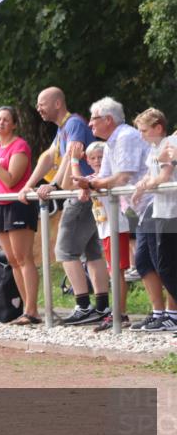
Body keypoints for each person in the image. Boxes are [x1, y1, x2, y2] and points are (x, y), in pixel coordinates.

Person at [18, 87, 109, 326]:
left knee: (65, 250)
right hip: (85, 195)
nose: (38, 108)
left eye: (42, 103)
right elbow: (49, 157)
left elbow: (71, 157)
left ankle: (83, 306)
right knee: (92, 251)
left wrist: (55, 185)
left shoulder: (74, 124)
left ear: (57, 103)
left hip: (80, 194)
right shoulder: (62, 129)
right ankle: (102, 307)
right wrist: (29, 185)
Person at [66, 97, 149, 331]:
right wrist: (87, 183)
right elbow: (101, 178)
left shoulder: (125, 137)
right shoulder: (114, 141)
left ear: (108, 119)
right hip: (129, 212)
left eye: (94, 119)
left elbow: (120, 177)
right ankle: (123, 313)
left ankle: (125, 314)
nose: (89, 124)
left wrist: (90, 184)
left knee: (142, 265)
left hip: (135, 212)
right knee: (139, 265)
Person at [0, 106, 41, 325]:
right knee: (13, 261)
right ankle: (26, 309)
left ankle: (32, 310)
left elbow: (11, 180)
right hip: (0, 205)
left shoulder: (19, 146)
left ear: (14, 124)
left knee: (24, 258)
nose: (1, 123)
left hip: (18, 204)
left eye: (6, 120)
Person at [62, 141, 133, 329]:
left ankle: (120, 314)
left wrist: (75, 162)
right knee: (113, 271)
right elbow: (70, 184)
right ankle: (117, 313)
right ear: (88, 160)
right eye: (92, 158)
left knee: (117, 272)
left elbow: (82, 182)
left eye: (101, 157)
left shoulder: (107, 176)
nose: (97, 161)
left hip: (116, 227)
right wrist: (78, 175)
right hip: (105, 229)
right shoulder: (93, 177)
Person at [130, 108, 177, 331]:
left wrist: (148, 184)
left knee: (167, 266)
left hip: (172, 212)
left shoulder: (169, 145)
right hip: (161, 211)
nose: (141, 135)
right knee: (161, 264)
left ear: (158, 128)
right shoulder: (154, 148)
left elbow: (164, 176)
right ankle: (167, 314)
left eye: (144, 130)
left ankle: (173, 315)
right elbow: (152, 173)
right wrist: (143, 183)